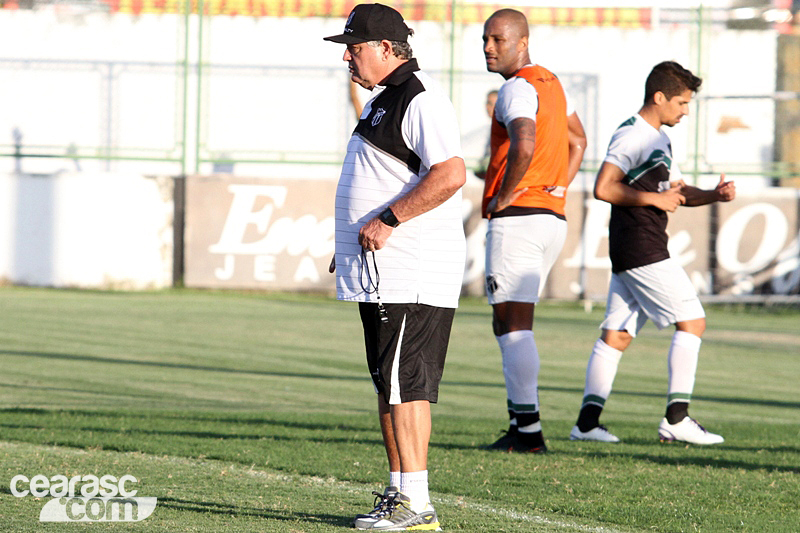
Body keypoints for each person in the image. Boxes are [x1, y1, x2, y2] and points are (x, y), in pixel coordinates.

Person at [324, 3, 466, 530]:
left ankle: (418, 502)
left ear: (387, 48)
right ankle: (398, 490)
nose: (347, 56)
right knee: (390, 383)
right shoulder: (386, 99)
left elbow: (451, 173)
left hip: (412, 269)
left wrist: (389, 218)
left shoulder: (419, 97)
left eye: (355, 46)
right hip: (380, 269)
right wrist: (348, 244)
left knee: (406, 384)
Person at [569, 61, 735, 445]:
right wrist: (652, 199)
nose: (685, 110)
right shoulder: (633, 135)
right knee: (693, 321)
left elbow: (676, 191)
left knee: (617, 335)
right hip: (639, 244)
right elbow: (604, 187)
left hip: (637, 245)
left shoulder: (659, 138)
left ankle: (587, 424)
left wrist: (714, 194)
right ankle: (677, 418)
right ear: (659, 98)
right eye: (681, 102)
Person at [481, 9, 587, 453]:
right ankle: (520, 425)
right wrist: (559, 184)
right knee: (507, 321)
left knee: (514, 326)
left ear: (521, 42)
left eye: (497, 40)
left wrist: (506, 193)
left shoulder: (516, 88)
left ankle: (529, 432)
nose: (488, 48)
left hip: (520, 218)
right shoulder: (552, 83)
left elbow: (523, 141)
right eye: (485, 39)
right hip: (551, 216)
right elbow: (578, 139)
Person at [474, 89, 498, 180]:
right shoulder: (491, 127)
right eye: (487, 103)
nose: (487, 107)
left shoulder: (504, 129)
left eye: (491, 103)